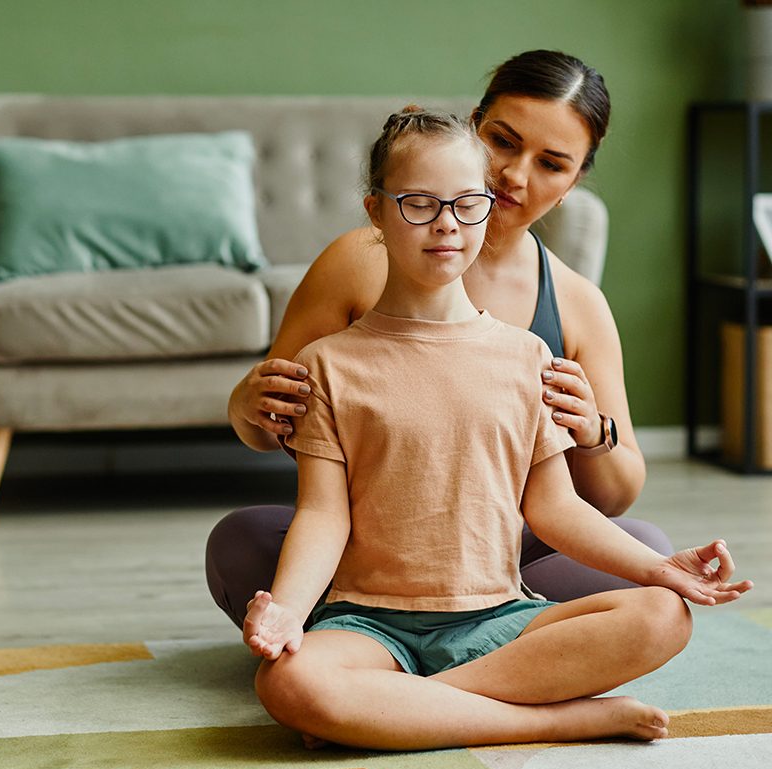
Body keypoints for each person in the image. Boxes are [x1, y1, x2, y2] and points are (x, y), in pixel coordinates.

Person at [243, 108, 751, 750]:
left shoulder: (528, 358)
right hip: (368, 625)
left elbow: (554, 508)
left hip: (501, 618)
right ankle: (556, 720)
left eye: (467, 204)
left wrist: (661, 569)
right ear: (376, 212)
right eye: (419, 204)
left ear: (487, 209)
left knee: (662, 615)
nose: (447, 224)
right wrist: (289, 609)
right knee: (287, 683)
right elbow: (323, 515)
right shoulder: (327, 364)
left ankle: (395, 711)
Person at [206, 49, 671, 629]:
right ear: (473, 129)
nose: (515, 175)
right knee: (241, 541)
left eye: (551, 164)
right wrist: (245, 405)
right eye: (503, 141)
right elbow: (271, 425)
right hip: (369, 547)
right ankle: (497, 646)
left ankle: (414, 647)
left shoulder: (578, 305)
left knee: (646, 548)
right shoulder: (356, 260)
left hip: (506, 552)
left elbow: (613, 499)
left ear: (573, 181)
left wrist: (592, 433)